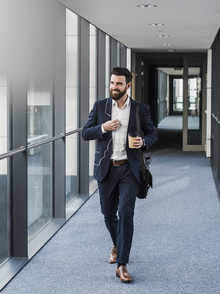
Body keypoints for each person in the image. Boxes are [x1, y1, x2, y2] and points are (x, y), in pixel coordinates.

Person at [81, 67, 158, 283]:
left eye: (119, 84)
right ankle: (118, 244)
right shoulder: (100, 107)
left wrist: (143, 142)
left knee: (125, 213)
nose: (114, 87)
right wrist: (103, 127)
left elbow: (153, 134)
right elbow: (85, 133)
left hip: (129, 169)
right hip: (106, 169)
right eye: (112, 83)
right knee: (108, 214)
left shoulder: (140, 110)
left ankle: (121, 264)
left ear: (128, 85)